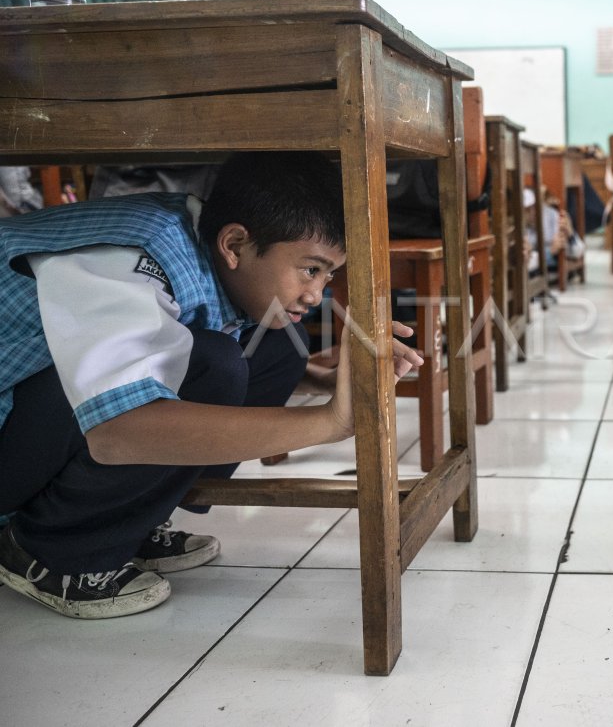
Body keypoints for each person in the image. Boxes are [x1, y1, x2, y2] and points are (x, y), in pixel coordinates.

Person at [0, 152, 422, 619]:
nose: (315, 294)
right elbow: (119, 431)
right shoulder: (129, 257)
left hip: (30, 417)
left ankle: (125, 520)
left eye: (327, 275)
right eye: (309, 269)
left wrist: (317, 378)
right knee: (213, 364)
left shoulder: (199, 240)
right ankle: (48, 548)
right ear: (235, 243)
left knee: (281, 344)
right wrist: (330, 421)